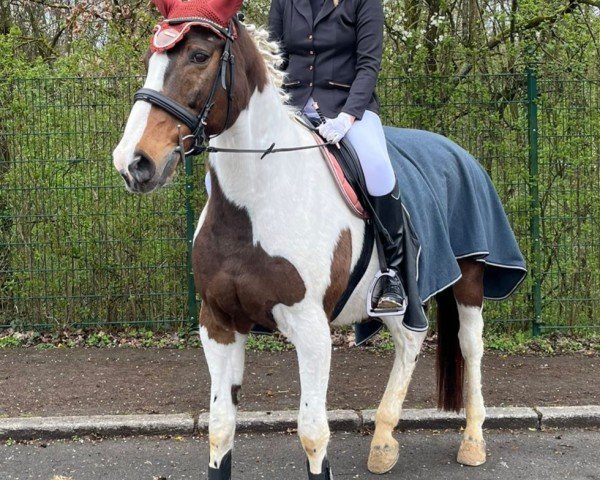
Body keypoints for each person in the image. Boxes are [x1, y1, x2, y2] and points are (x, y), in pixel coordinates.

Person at [268, 0, 407, 313]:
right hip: (291, 105)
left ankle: (392, 273)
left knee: (377, 168)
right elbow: (274, 58)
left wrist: (347, 117)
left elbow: (368, 64)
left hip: (348, 106)